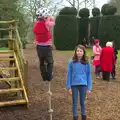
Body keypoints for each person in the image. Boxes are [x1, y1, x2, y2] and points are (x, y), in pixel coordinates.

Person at [66, 45, 92, 120]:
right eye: (77, 51)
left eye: (81, 51)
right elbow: (69, 74)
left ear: (83, 52)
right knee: (75, 102)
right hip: (74, 85)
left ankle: (83, 116)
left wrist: (89, 87)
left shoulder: (86, 63)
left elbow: (89, 75)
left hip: (83, 85)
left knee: (82, 102)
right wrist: (69, 87)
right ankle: (75, 117)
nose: (79, 52)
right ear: (75, 52)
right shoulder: (71, 62)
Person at [33, 7, 55, 81]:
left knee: (41, 62)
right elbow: (53, 23)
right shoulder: (47, 23)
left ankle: (44, 77)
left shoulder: (36, 23)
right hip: (47, 47)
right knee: (50, 62)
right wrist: (50, 18)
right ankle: (49, 76)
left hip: (39, 47)